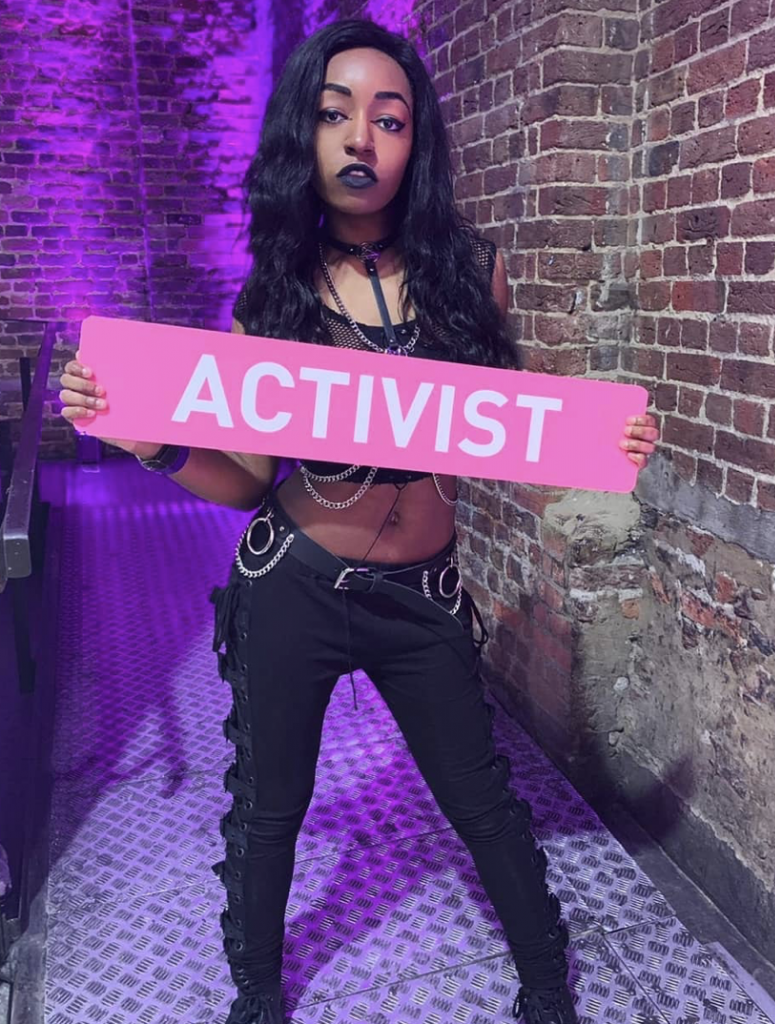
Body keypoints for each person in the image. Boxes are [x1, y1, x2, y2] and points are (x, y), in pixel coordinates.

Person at [59, 18, 659, 1024]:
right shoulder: (273, 294)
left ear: (413, 144)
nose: (361, 139)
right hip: (291, 583)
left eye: (388, 118)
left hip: (421, 599)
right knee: (268, 809)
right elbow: (249, 481)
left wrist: (598, 443)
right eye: (336, 115)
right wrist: (149, 443)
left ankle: (548, 979)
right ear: (307, 133)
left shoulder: (472, 271)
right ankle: (256, 991)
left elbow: (508, 428)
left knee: (481, 800)